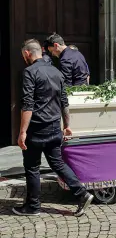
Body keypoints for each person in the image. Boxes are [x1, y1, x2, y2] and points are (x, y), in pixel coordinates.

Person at [13, 39, 94, 217]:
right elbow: (64, 101)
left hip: (37, 129)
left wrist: (22, 132)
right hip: (54, 127)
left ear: (27, 53)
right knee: (57, 163)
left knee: (32, 167)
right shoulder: (56, 72)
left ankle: (33, 206)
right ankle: (82, 193)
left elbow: (27, 105)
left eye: (23, 55)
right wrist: (67, 126)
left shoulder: (29, 72)